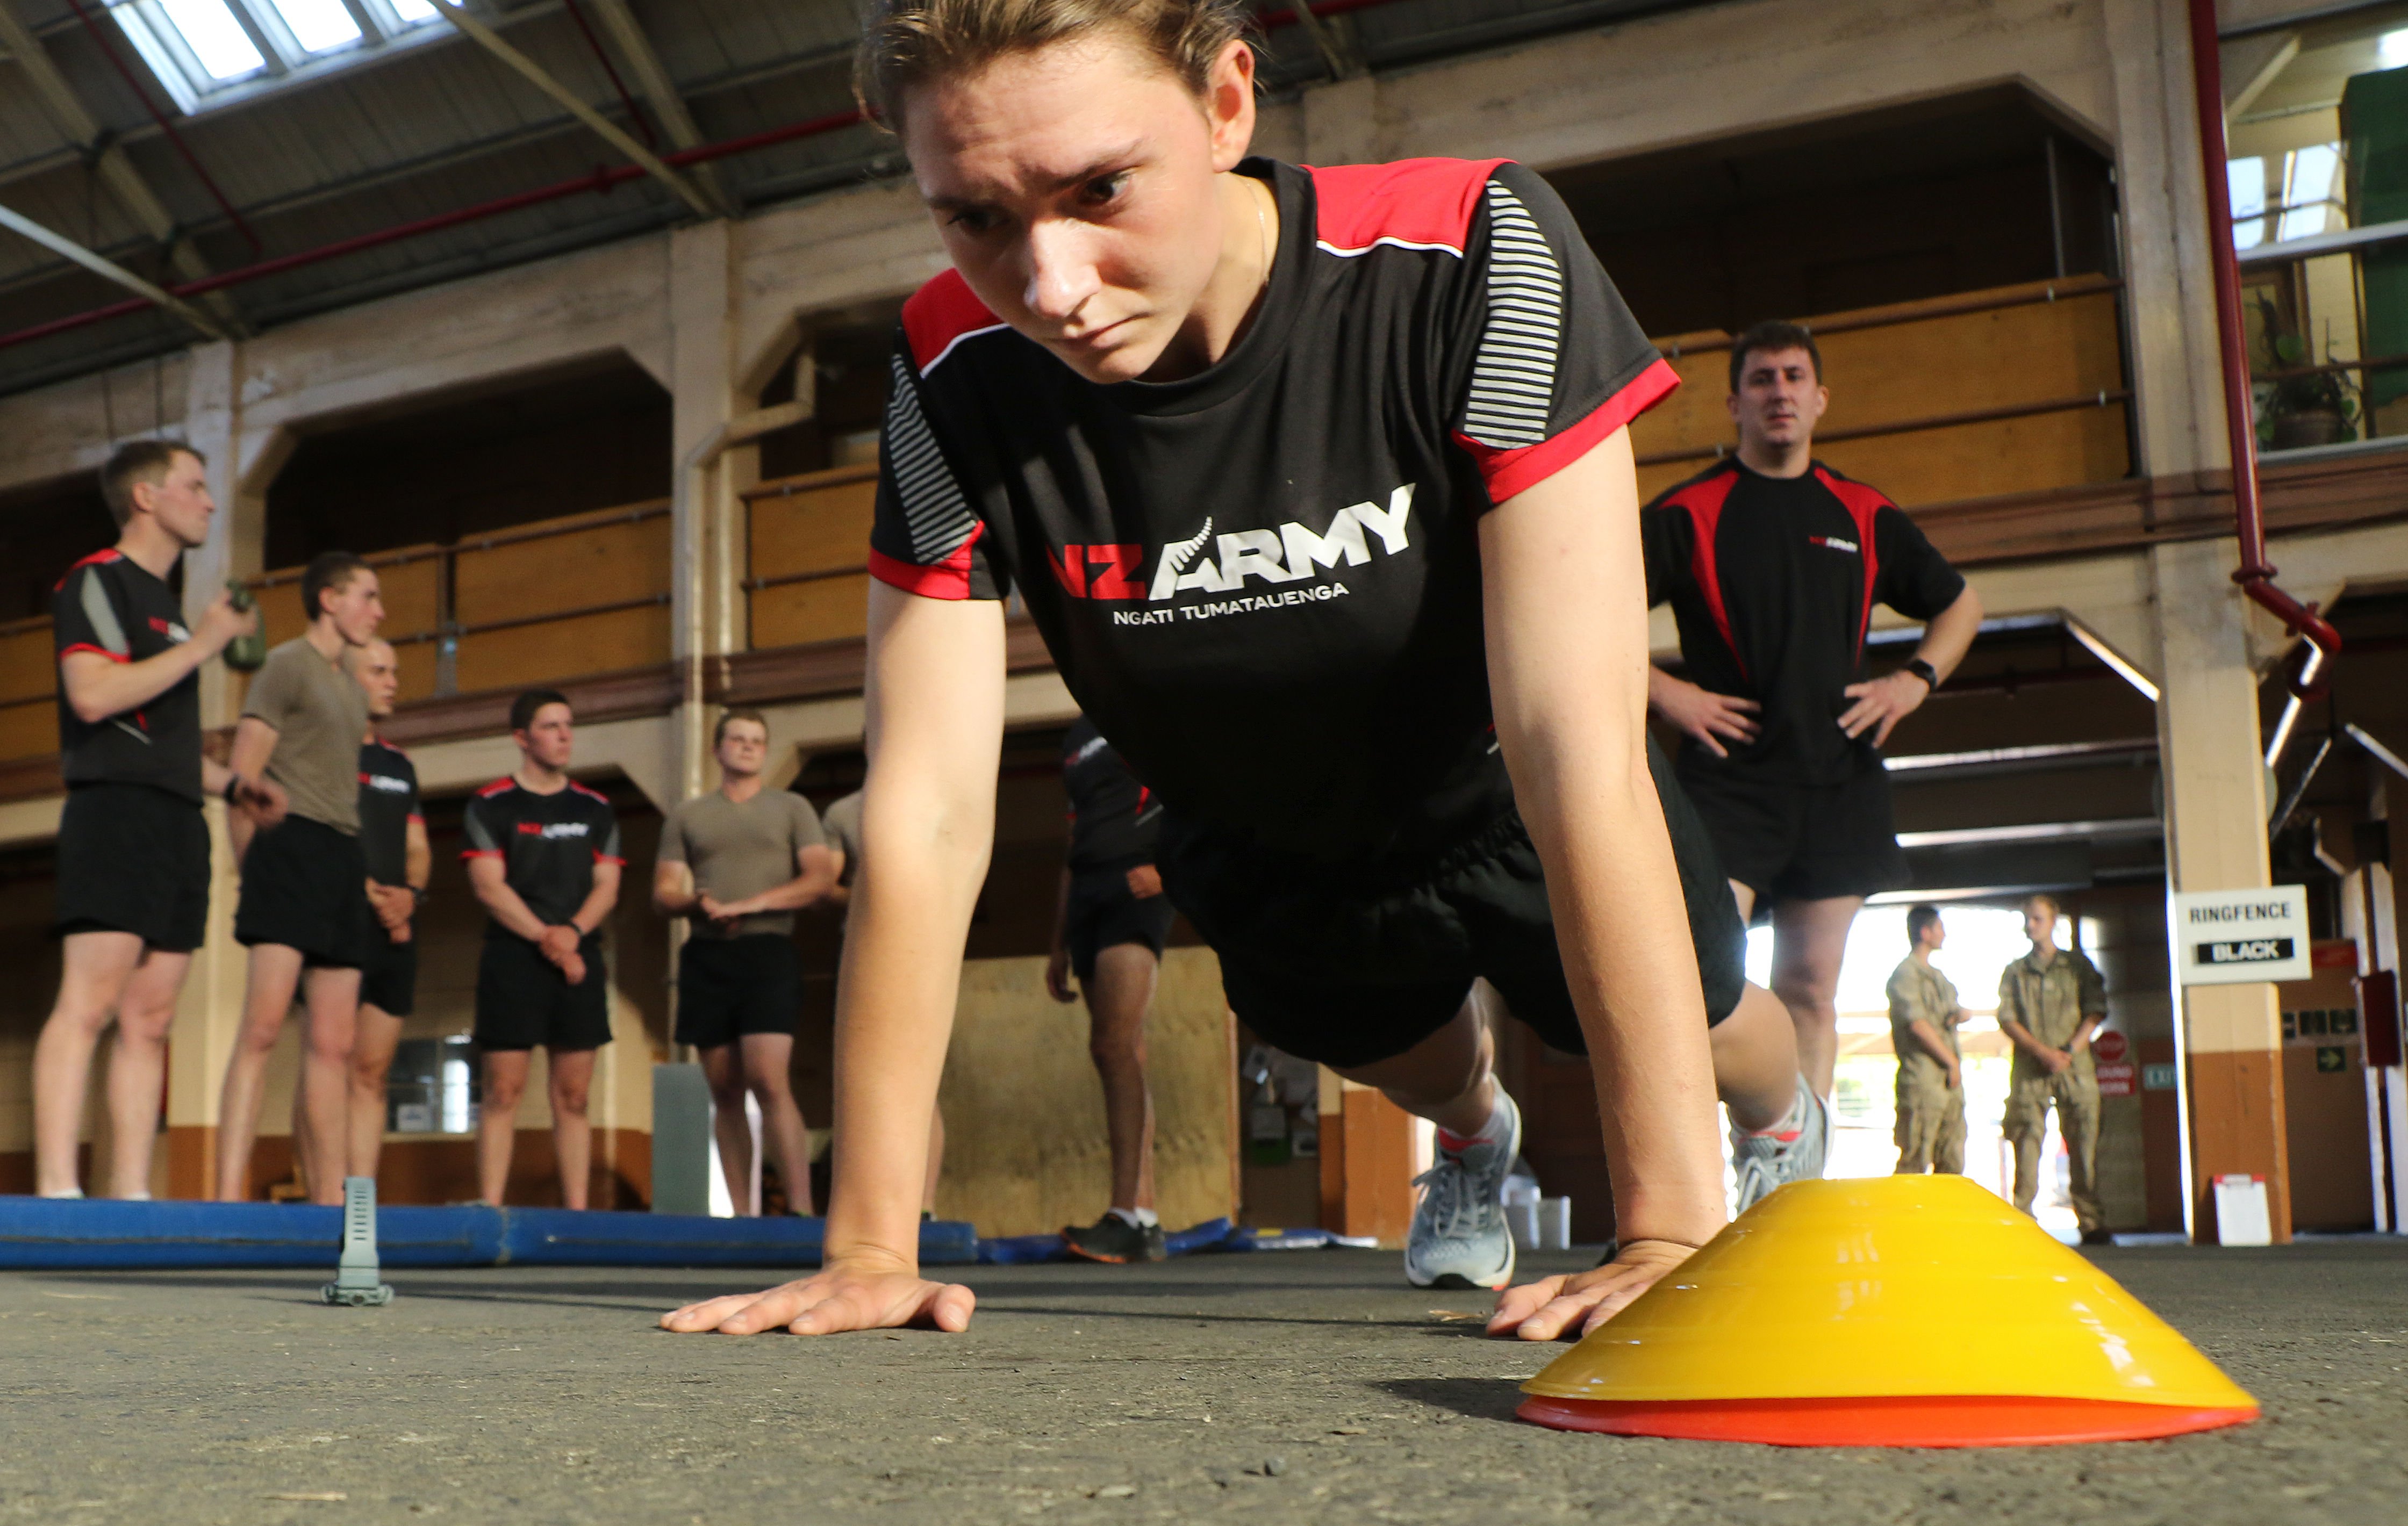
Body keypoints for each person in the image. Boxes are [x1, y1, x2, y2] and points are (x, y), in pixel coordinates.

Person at [663, 0, 1810, 1343]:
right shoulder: (948, 370)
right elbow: (919, 812)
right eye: (973, 217)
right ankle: (1475, 1134)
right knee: (1422, 1060)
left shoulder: (1466, 250)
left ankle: (1782, 1116)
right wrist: (866, 1244)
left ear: (1224, 106)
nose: (1051, 285)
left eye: (1100, 189)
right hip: (1259, 834)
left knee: (1721, 1019)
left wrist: (1667, 1221)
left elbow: (1572, 737)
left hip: (1502, 789)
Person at [1642, 323, 1986, 1134]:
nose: (1780, 392)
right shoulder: (1687, 512)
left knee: (1809, 990)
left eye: (1795, 377)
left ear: (1820, 398)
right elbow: (1585, 614)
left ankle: (1797, 1176)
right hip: (1726, 784)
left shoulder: (1862, 512)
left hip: (1839, 782)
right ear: (1735, 402)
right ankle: (1740, 1151)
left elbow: (1959, 604)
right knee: (1704, 987)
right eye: (1762, 380)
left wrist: (1914, 680)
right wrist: (1668, 695)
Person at [31, 440, 280, 1200]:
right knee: (90, 1005)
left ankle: (131, 1197)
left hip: (177, 817)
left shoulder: (169, 611)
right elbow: (94, 698)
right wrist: (207, 644)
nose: (209, 502)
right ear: (146, 496)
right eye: (195, 486)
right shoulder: (96, 581)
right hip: (115, 813)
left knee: (153, 1017)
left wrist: (234, 784)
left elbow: (160, 742)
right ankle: (56, 1191)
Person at [212, 553, 385, 1203]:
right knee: (261, 1031)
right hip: (287, 850)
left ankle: (330, 1202)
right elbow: (243, 779)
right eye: (368, 596)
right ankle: (227, 1199)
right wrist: (251, 870)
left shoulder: (351, 686)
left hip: (342, 855)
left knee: (335, 1045)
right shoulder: (285, 664)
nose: (379, 610)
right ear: (330, 598)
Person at [656, 710, 837, 1217]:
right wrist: (698, 903)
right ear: (718, 749)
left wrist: (751, 905)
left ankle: (801, 1210)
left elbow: (820, 878)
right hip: (708, 955)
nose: (748, 747)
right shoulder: (688, 815)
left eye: (758, 740)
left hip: (769, 952)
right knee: (725, 1087)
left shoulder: (792, 806)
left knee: (768, 1077)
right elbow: (664, 891)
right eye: (738, 738)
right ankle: (742, 1215)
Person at [463, 690, 622, 1209]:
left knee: (574, 1097)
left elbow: (607, 886)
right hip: (514, 959)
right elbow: (489, 887)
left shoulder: (594, 808)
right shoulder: (490, 805)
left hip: (580, 958)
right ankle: (490, 1206)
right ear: (522, 738)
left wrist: (572, 933)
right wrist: (548, 939)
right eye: (551, 726)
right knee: (503, 1091)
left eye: (568, 725)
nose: (563, 735)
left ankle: (577, 1213)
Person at [292, 637, 428, 1193]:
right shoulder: (320, 750)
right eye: (379, 670)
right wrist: (362, 888)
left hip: (393, 930)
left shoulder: (399, 764)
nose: (393, 680)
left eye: (395, 670)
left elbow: (416, 847)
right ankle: (322, 1200)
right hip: (334, 922)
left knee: (371, 1073)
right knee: (326, 1059)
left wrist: (409, 894)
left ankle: (359, 1207)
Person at [1044, 716, 1171, 1263]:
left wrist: (1170, 871)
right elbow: (1074, 840)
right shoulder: (1076, 739)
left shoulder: (1146, 702)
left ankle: (1128, 1214)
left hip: (1136, 881)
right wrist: (1057, 942)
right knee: (1124, 1051)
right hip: (1088, 890)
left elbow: (1205, 798)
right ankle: (1142, 1217)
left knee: (1114, 1045)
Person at [826, 787, 947, 1217]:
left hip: (924, 943)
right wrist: (873, 887)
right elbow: (829, 884)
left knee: (919, 1077)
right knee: (867, 1075)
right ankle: (873, 1214)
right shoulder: (845, 811)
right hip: (865, 947)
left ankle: (924, 1207)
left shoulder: (936, 795)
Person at [1995, 894, 2110, 1242]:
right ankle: (2023, 1220)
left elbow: (2095, 1010)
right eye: (2027, 919)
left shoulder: (2078, 966)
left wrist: (2067, 1050)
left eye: (2037, 919)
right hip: (2032, 1069)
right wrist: (2042, 1052)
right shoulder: (2015, 971)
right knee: (2027, 1141)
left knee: (2085, 1142)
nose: (2031, 925)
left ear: (2053, 921)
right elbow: (2008, 1018)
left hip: (2074, 1066)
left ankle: (2091, 1222)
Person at [1885, 903, 1968, 1176]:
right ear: (1925, 932)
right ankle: (1905, 1219)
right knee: (1914, 1162)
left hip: (1947, 1086)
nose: (1944, 934)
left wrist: (1959, 1015)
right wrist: (1951, 1062)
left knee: (1952, 1162)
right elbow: (1917, 1025)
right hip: (1922, 1084)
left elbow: (1945, 1014)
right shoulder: (1905, 974)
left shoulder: (1938, 978)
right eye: (1940, 928)